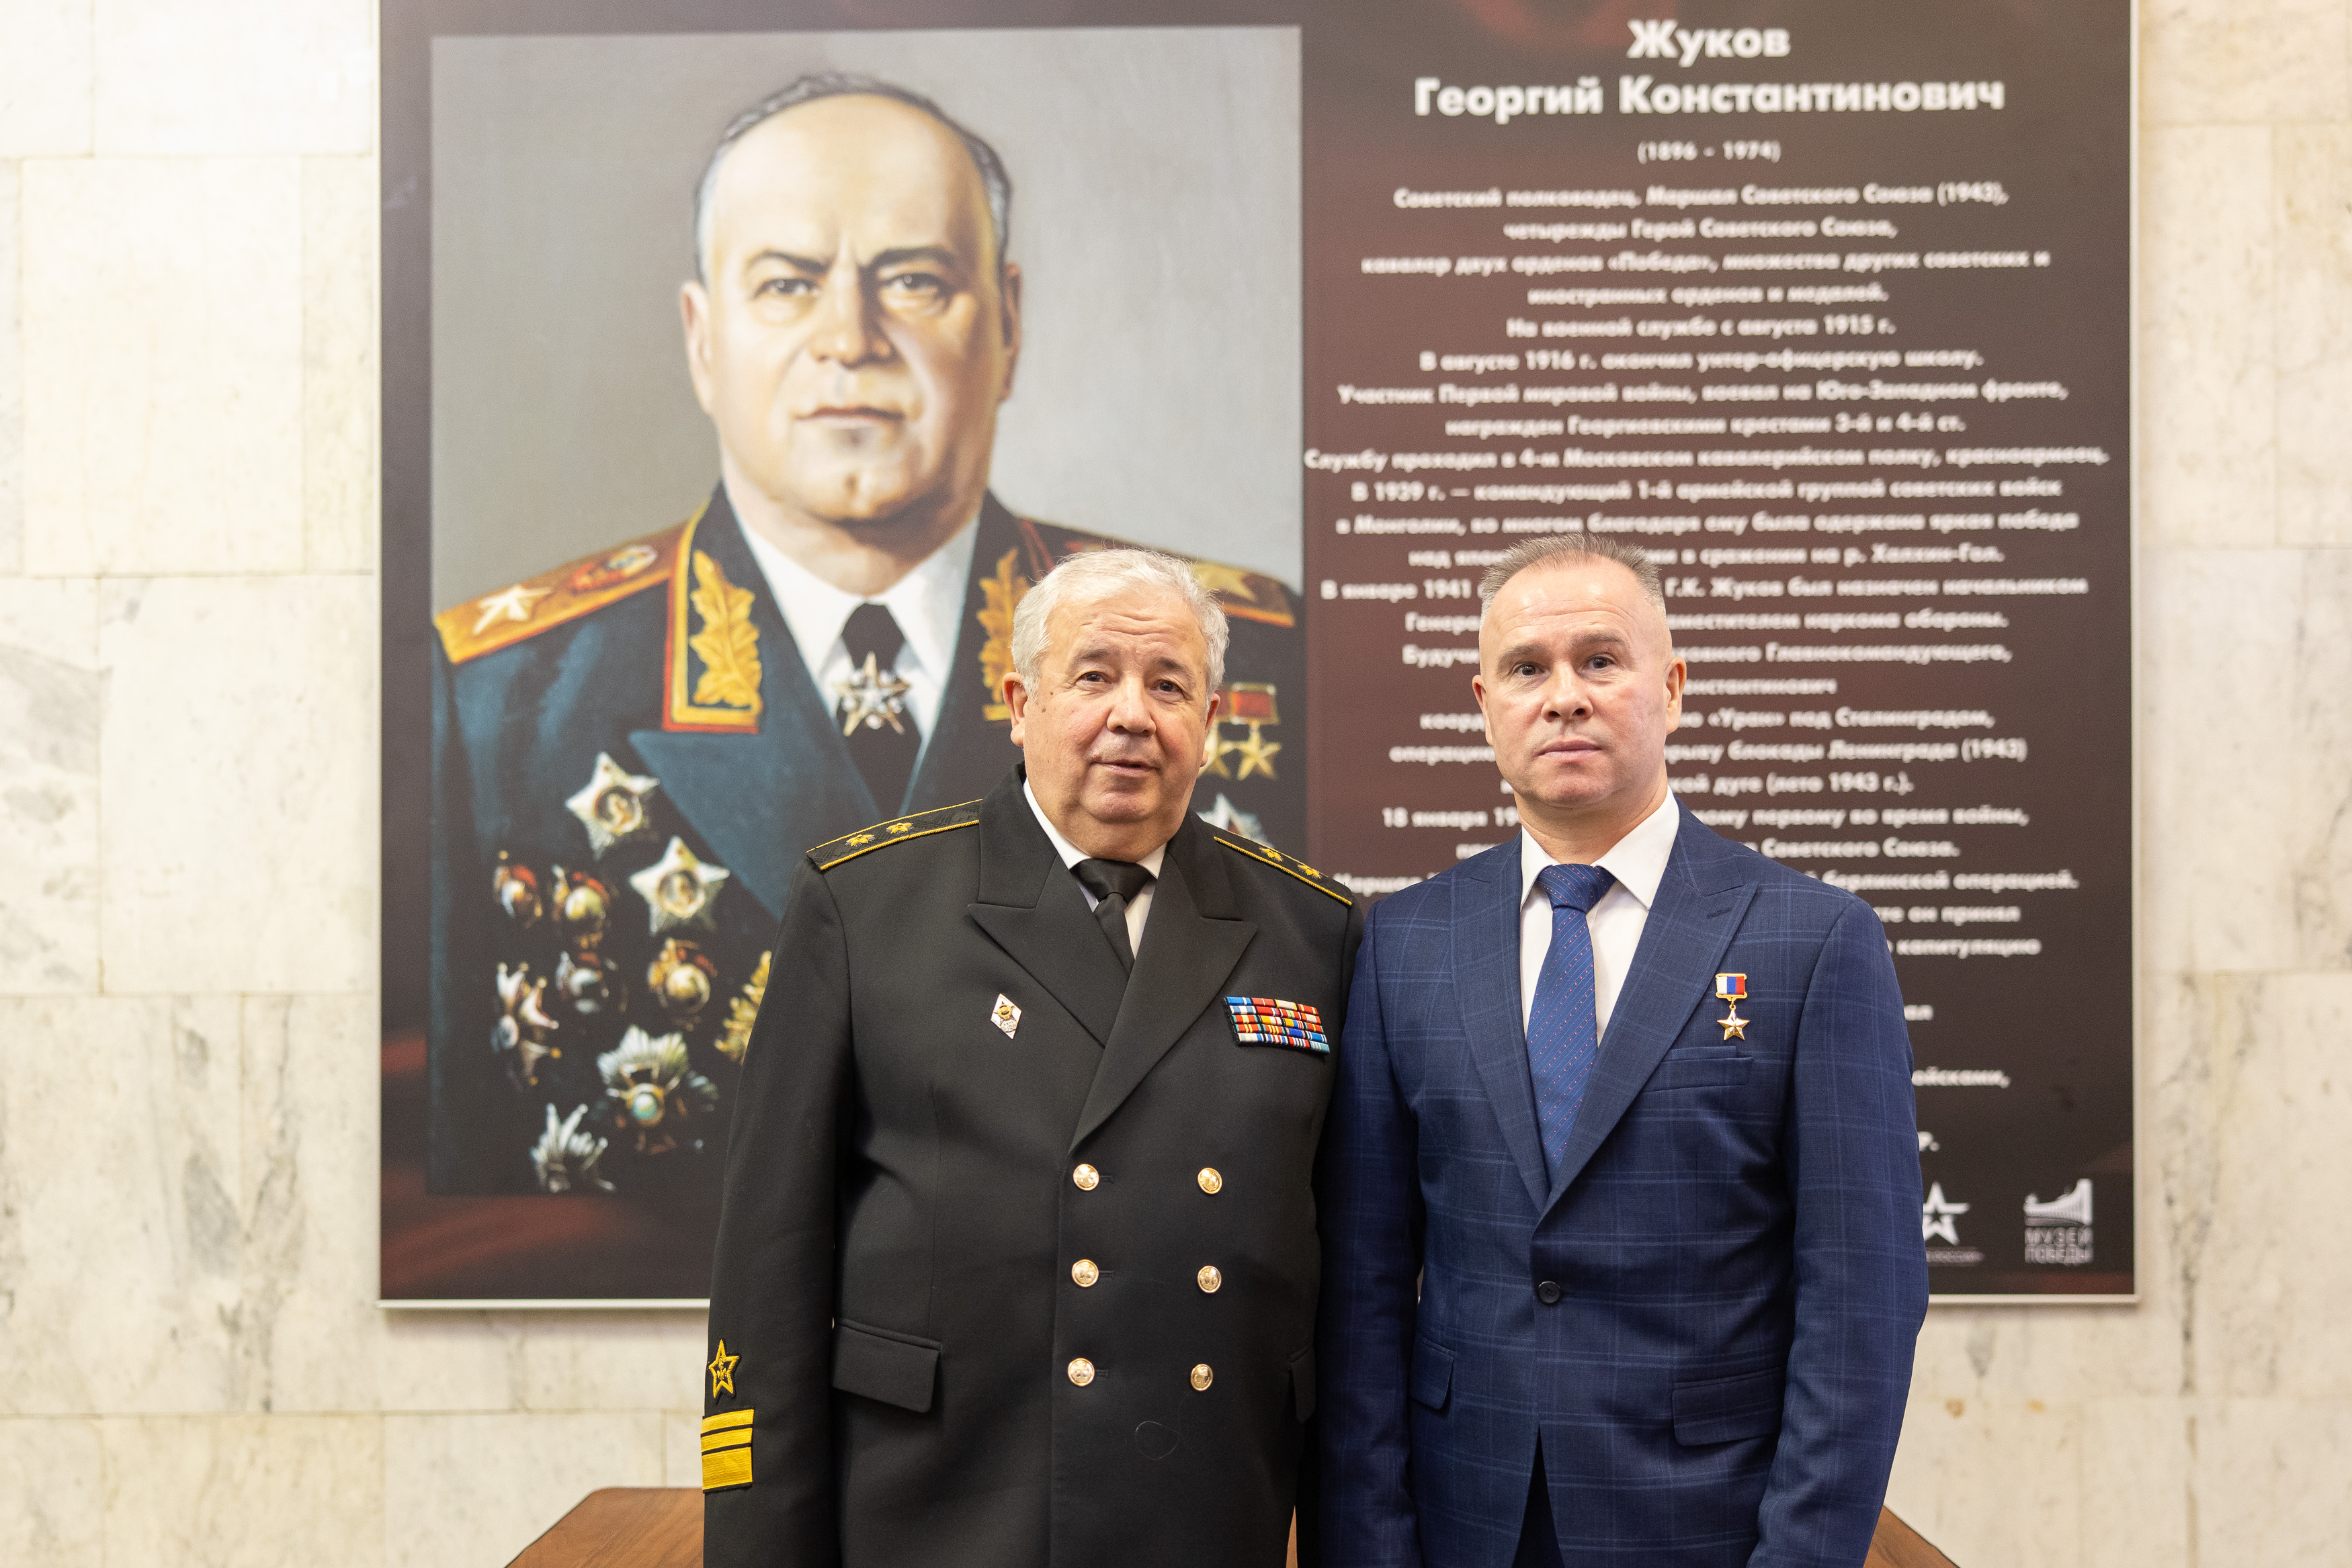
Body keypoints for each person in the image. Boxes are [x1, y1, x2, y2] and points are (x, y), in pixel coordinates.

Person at [427, 74, 1302, 1195]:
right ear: (703, 339)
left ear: (1009, 323)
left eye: (915, 280)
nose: (850, 339)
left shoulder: (1254, 653)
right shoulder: (506, 696)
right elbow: (468, 1192)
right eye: (787, 284)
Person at [699, 548, 1360, 1567]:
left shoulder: (1312, 930)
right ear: (1020, 704)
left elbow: (1347, 1280)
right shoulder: (866, 906)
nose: (1133, 715)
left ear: (1211, 721)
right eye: (1094, 676)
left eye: (1168, 686)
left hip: (1203, 1508)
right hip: (945, 1510)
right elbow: (768, 1265)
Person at [1316, 535, 1925, 1567]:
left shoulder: (1814, 940)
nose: (1565, 697)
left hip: (1708, 1526)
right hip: (1466, 1524)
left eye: (1600, 660)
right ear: (1486, 704)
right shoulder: (1404, 941)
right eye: (1527, 668)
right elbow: (1362, 1292)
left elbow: (1863, 1300)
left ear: (1672, 688)